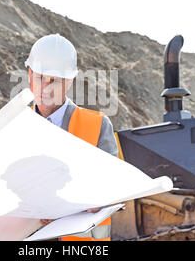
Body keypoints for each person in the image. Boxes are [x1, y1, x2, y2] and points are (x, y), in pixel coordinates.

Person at [25, 33, 118, 241]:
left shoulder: (97, 125)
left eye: (55, 80)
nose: (46, 87)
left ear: (69, 82)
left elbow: (114, 186)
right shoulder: (16, 127)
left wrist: (70, 206)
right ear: (30, 75)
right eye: (40, 77)